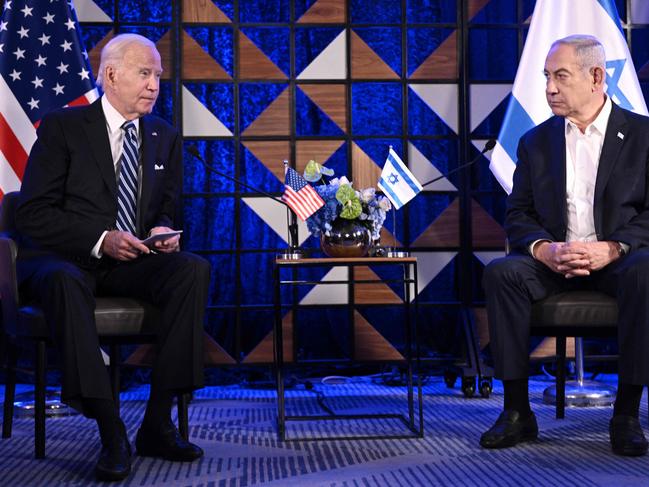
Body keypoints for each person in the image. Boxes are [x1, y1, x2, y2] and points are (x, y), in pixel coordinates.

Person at [15, 34, 211, 481]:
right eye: (145, 73)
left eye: (158, 75)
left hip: (131, 261)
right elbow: (32, 213)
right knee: (64, 282)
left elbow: (167, 207)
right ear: (110, 75)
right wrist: (101, 239)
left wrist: (162, 229)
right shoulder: (63, 127)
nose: (154, 85)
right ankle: (110, 428)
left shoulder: (163, 135)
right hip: (65, 259)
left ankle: (158, 423)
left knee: (191, 270)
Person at [481, 34, 649, 457]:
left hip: (620, 261)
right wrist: (544, 250)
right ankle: (517, 411)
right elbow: (518, 215)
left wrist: (613, 248)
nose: (549, 88)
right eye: (546, 77)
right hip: (554, 261)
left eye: (560, 76)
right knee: (502, 273)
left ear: (596, 77)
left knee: (646, 270)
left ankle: (626, 413)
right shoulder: (535, 143)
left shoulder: (643, 136)